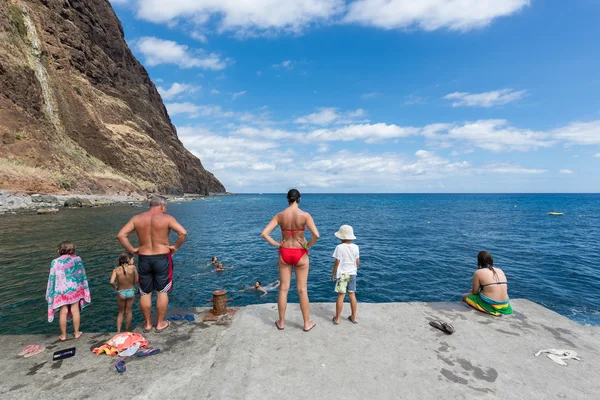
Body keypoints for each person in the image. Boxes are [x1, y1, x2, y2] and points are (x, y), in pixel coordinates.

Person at [117, 196, 187, 333]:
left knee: (145, 292)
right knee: (162, 291)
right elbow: (182, 232)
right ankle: (160, 323)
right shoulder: (167, 218)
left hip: (144, 257)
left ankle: (148, 324)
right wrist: (175, 247)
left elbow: (121, 235)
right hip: (162, 257)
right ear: (162, 206)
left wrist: (132, 250)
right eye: (165, 207)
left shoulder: (136, 218)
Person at [261, 189, 319, 332]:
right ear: (299, 199)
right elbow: (316, 235)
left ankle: (281, 323)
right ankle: (306, 323)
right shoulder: (305, 215)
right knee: (302, 290)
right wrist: (307, 246)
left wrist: (277, 244)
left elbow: (264, 234)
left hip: (285, 252)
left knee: (283, 289)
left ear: (287, 199)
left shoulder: (280, 215)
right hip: (300, 253)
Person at [46, 241, 91, 341]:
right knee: (75, 310)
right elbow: (81, 274)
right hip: (75, 289)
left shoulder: (55, 262)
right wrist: (83, 287)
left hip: (61, 290)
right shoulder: (78, 259)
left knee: (63, 312)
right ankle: (76, 333)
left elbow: (52, 278)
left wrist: (50, 291)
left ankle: (63, 335)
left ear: (59, 251)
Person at [462, 251, 513, 316]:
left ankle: (485, 308)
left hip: (491, 305)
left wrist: (471, 291)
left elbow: (475, 292)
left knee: (464, 296)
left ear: (479, 261)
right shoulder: (500, 270)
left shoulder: (478, 272)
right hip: (504, 304)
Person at [331, 225, 360, 325]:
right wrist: (355, 269)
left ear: (341, 237)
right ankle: (354, 317)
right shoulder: (356, 247)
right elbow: (357, 261)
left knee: (341, 296)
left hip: (342, 274)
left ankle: (337, 318)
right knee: (352, 295)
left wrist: (333, 273)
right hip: (352, 274)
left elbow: (337, 262)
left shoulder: (339, 247)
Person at [110, 252, 138, 333]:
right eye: (133, 259)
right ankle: (127, 330)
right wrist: (131, 284)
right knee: (128, 312)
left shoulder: (116, 270)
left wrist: (116, 287)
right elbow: (136, 280)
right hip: (131, 291)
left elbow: (111, 282)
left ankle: (118, 332)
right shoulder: (133, 268)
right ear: (128, 260)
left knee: (121, 312)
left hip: (121, 292)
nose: (133, 260)